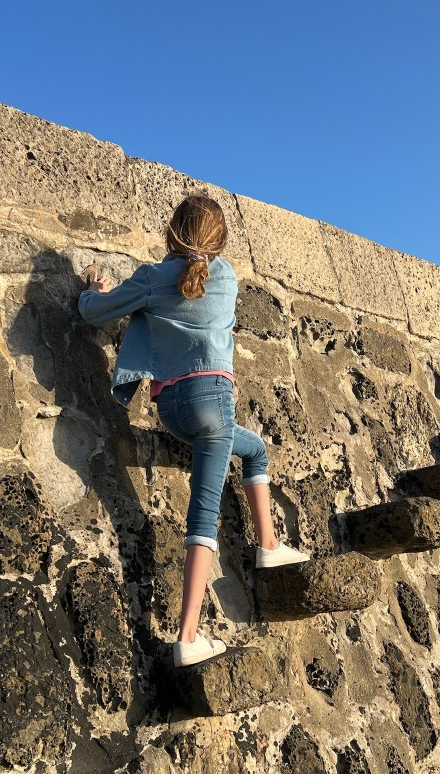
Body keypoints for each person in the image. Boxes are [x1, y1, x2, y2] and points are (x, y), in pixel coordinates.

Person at [78, 193, 309, 667]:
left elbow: (94, 313)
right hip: (214, 405)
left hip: (172, 409)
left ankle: (269, 545)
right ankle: (187, 635)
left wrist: (93, 292)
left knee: (255, 450)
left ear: (173, 232)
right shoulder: (227, 279)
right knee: (203, 516)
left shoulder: (152, 278)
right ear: (220, 241)